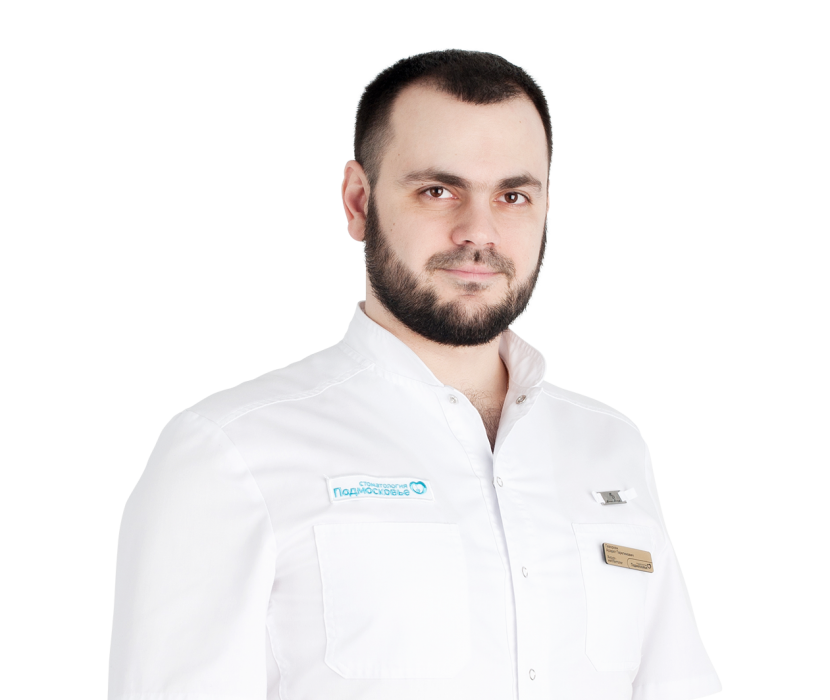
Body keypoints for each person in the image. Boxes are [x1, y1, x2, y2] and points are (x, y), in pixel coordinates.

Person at [108, 48, 722, 700]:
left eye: (513, 195)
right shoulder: (227, 451)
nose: (479, 233)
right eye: (438, 191)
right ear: (357, 201)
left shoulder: (610, 445)